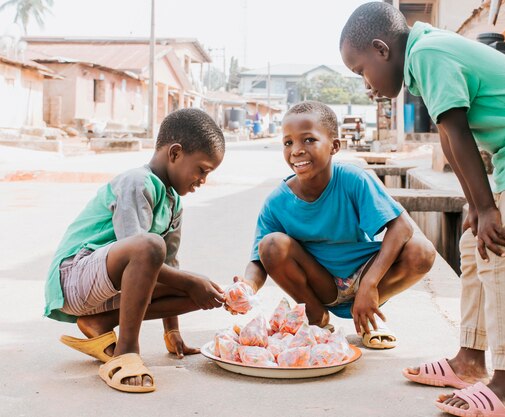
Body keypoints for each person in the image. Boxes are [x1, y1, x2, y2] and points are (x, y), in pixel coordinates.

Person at [340, 3, 505, 416]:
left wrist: (488, 205)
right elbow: (448, 136)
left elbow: (458, 131)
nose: (365, 84)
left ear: (381, 49)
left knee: (500, 258)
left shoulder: (429, 54)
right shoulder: (423, 61)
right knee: (475, 245)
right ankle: (469, 361)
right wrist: (476, 205)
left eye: (360, 70)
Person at [44, 108, 227, 393]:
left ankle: (99, 322)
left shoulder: (173, 202)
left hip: (107, 288)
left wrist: (173, 331)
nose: (203, 180)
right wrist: (191, 281)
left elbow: (168, 265)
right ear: (175, 153)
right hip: (74, 278)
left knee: (204, 292)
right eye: (202, 169)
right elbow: (141, 250)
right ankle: (126, 353)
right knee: (154, 249)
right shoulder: (137, 182)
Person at [231, 100, 436, 349]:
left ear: (334, 146)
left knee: (421, 251)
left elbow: (402, 227)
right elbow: (258, 259)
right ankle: (316, 316)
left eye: (308, 140)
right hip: (322, 284)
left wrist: (369, 284)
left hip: (366, 274)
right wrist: (247, 287)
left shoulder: (352, 179)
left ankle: (369, 315)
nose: (296, 150)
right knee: (271, 244)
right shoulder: (277, 202)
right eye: (288, 142)